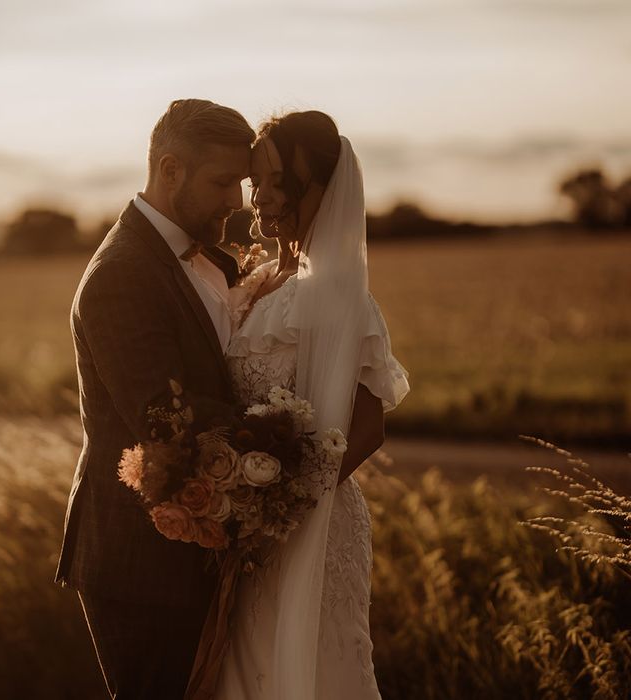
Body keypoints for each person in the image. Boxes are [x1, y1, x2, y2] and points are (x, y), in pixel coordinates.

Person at [54, 98, 255, 699]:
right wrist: (285, 430)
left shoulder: (210, 259)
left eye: (242, 184)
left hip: (202, 543)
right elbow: (165, 418)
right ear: (171, 171)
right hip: (139, 558)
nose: (237, 202)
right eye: (223, 182)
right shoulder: (121, 272)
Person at [217, 111, 410, 699]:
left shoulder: (339, 296)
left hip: (312, 521)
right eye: (257, 182)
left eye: (279, 182)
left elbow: (369, 426)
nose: (263, 197)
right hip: (247, 525)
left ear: (322, 188)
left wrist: (285, 505)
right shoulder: (254, 285)